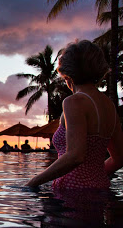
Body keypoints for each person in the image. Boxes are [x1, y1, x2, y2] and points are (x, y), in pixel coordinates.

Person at [26, 40, 123, 188]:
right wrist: (92, 177)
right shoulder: (109, 106)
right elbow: (119, 158)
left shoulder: (74, 102)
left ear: (67, 75)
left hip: (71, 190)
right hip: (101, 187)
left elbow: (75, 155)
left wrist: (33, 182)